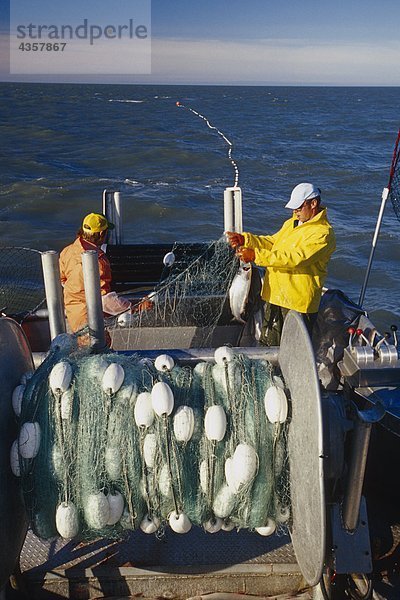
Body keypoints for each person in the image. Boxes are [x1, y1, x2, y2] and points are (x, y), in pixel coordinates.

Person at [226, 183, 336, 346]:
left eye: (298, 208)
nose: (295, 212)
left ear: (313, 204)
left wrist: (256, 255)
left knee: (293, 350)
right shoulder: (292, 223)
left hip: (297, 304)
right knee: (268, 346)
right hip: (276, 296)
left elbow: (294, 259)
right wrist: (246, 239)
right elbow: (273, 243)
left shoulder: (323, 234)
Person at [59, 212, 152, 334]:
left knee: (83, 344)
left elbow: (63, 280)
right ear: (102, 234)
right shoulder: (99, 261)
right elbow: (106, 300)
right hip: (90, 318)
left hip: (73, 313)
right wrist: (135, 308)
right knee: (98, 346)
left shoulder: (67, 251)